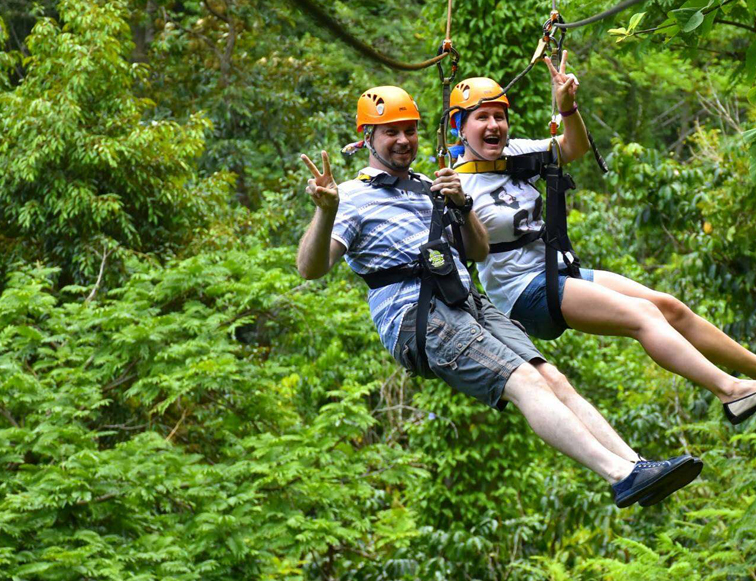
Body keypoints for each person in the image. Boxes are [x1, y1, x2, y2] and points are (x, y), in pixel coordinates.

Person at [296, 85, 702, 508]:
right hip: (419, 317)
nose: (403, 141)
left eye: (409, 131)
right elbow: (311, 268)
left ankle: (634, 465)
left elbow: (478, 251)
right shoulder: (352, 198)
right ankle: (619, 475)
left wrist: (462, 203)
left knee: (551, 379)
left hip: (466, 302)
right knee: (524, 381)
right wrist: (325, 211)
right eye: (390, 133)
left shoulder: (428, 185)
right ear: (367, 137)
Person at [450, 57, 756, 426]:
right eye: (482, 118)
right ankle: (731, 390)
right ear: (460, 128)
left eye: (499, 116)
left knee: (668, 307)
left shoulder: (516, 153)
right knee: (642, 316)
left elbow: (573, 147)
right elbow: (470, 252)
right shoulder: (458, 185)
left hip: (558, 271)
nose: (494, 125)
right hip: (523, 292)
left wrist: (568, 109)